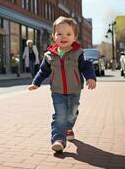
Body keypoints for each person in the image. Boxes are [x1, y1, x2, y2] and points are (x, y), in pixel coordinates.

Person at [28, 16, 96, 153]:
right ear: (54, 36)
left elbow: (87, 67)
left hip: (74, 89)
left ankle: (68, 127)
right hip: (57, 91)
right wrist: (36, 83)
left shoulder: (78, 53)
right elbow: (43, 71)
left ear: (75, 37)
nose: (63, 37)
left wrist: (90, 78)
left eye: (68, 34)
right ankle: (58, 139)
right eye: (59, 34)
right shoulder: (49, 55)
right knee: (60, 115)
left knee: (71, 113)